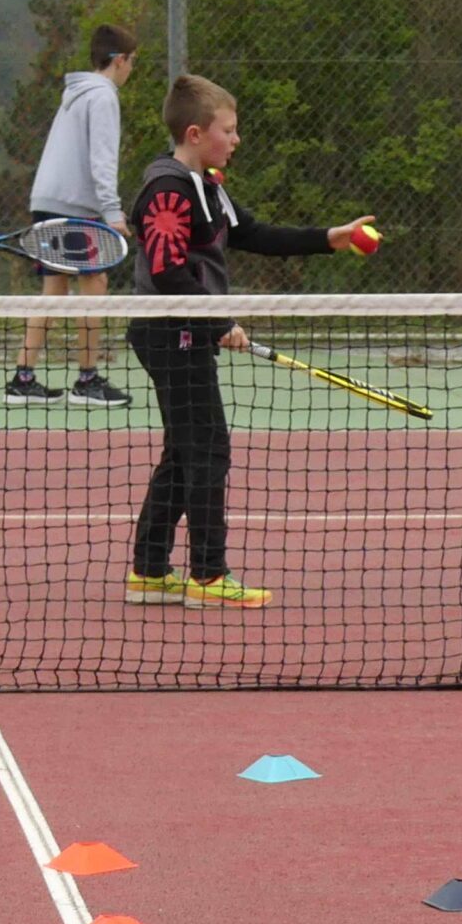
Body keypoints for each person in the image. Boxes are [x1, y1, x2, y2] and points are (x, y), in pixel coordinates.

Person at [125, 75, 377, 608]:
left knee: (185, 448)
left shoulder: (206, 185)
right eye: (229, 130)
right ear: (196, 133)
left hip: (189, 329)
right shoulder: (167, 191)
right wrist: (219, 322)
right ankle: (209, 578)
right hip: (170, 332)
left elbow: (253, 234)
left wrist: (330, 239)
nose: (237, 140)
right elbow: (168, 272)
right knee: (208, 448)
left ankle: (149, 570)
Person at [7, 23, 137, 408]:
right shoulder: (102, 96)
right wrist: (112, 212)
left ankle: (23, 378)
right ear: (118, 60)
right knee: (94, 285)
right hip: (75, 207)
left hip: (49, 199)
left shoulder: (77, 94)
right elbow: (102, 159)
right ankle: (87, 380)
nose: (132, 70)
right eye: (132, 62)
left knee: (55, 290)